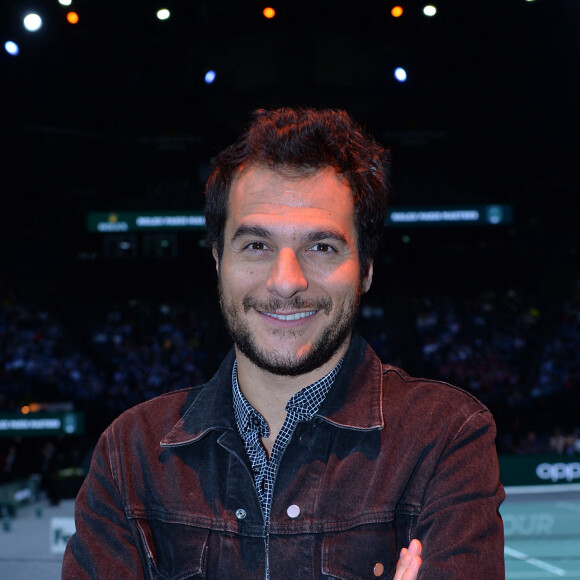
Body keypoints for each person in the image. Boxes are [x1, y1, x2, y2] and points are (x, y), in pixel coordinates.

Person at [62, 108, 504, 579]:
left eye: (321, 247)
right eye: (256, 245)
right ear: (217, 260)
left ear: (367, 270)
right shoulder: (130, 456)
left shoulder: (446, 437)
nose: (286, 281)